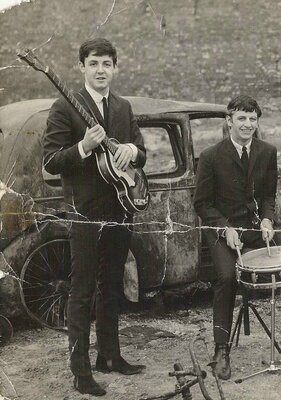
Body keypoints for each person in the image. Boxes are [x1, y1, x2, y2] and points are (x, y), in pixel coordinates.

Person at [193, 95, 281, 380]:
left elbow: (267, 196)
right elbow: (202, 204)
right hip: (224, 231)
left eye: (252, 119)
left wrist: (268, 219)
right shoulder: (210, 156)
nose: (247, 124)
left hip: (257, 229)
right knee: (226, 277)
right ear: (229, 121)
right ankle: (221, 350)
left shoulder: (267, 151)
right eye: (241, 118)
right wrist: (224, 228)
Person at [43, 38, 146, 397]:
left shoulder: (123, 106)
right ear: (82, 68)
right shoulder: (64, 107)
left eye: (107, 64)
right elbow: (50, 162)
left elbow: (142, 153)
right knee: (83, 290)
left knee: (112, 286)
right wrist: (84, 146)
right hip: (84, 213)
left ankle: (110, 357)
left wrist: (131, 149)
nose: (101, 70)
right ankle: (81, 372)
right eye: (94, 63)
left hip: (119, 208)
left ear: (115, 68)